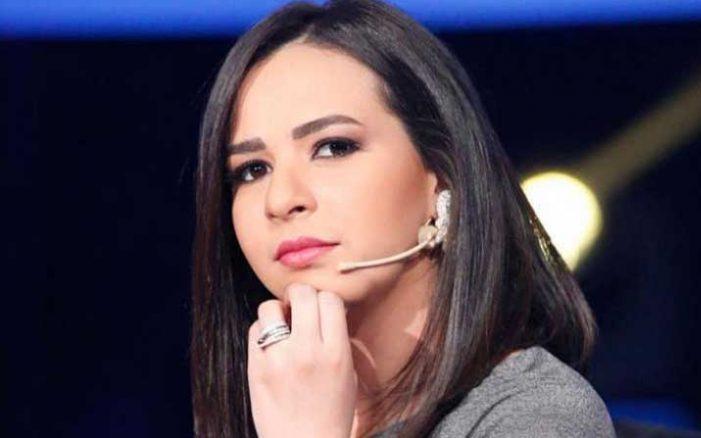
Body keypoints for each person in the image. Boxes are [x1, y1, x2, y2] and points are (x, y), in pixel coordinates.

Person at [190, 0, 616, 436]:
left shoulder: (538, 416)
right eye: (252, 170)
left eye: (334, 147)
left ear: (443, 175)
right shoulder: (263, 416)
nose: (281, 199)